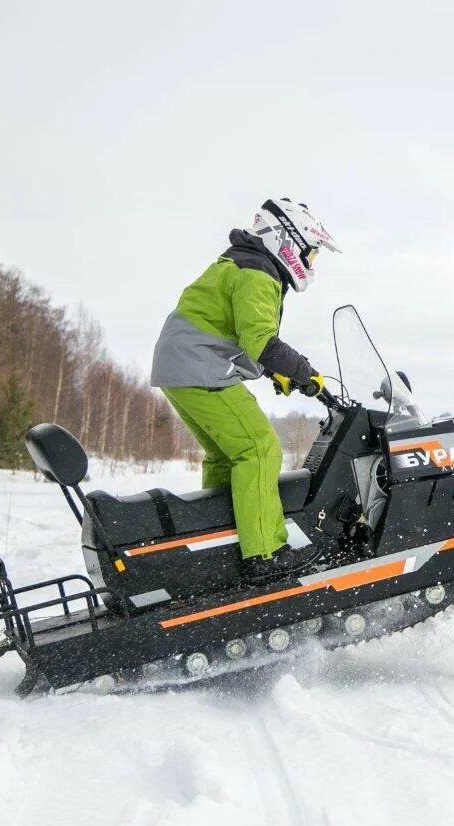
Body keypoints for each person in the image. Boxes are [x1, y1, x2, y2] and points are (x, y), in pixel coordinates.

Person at [150, 198, 341, 586]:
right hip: (198, 367)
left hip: (179, 367)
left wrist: (277, 372)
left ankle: (221, 543)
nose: (311, 262)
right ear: (289, 240)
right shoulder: (257, 272)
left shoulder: (242, 264)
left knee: (226, 457)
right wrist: (306, 373)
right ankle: (265, 554)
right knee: (258, 448)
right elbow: (261, 341)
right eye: (311, 253)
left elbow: (238, 332)